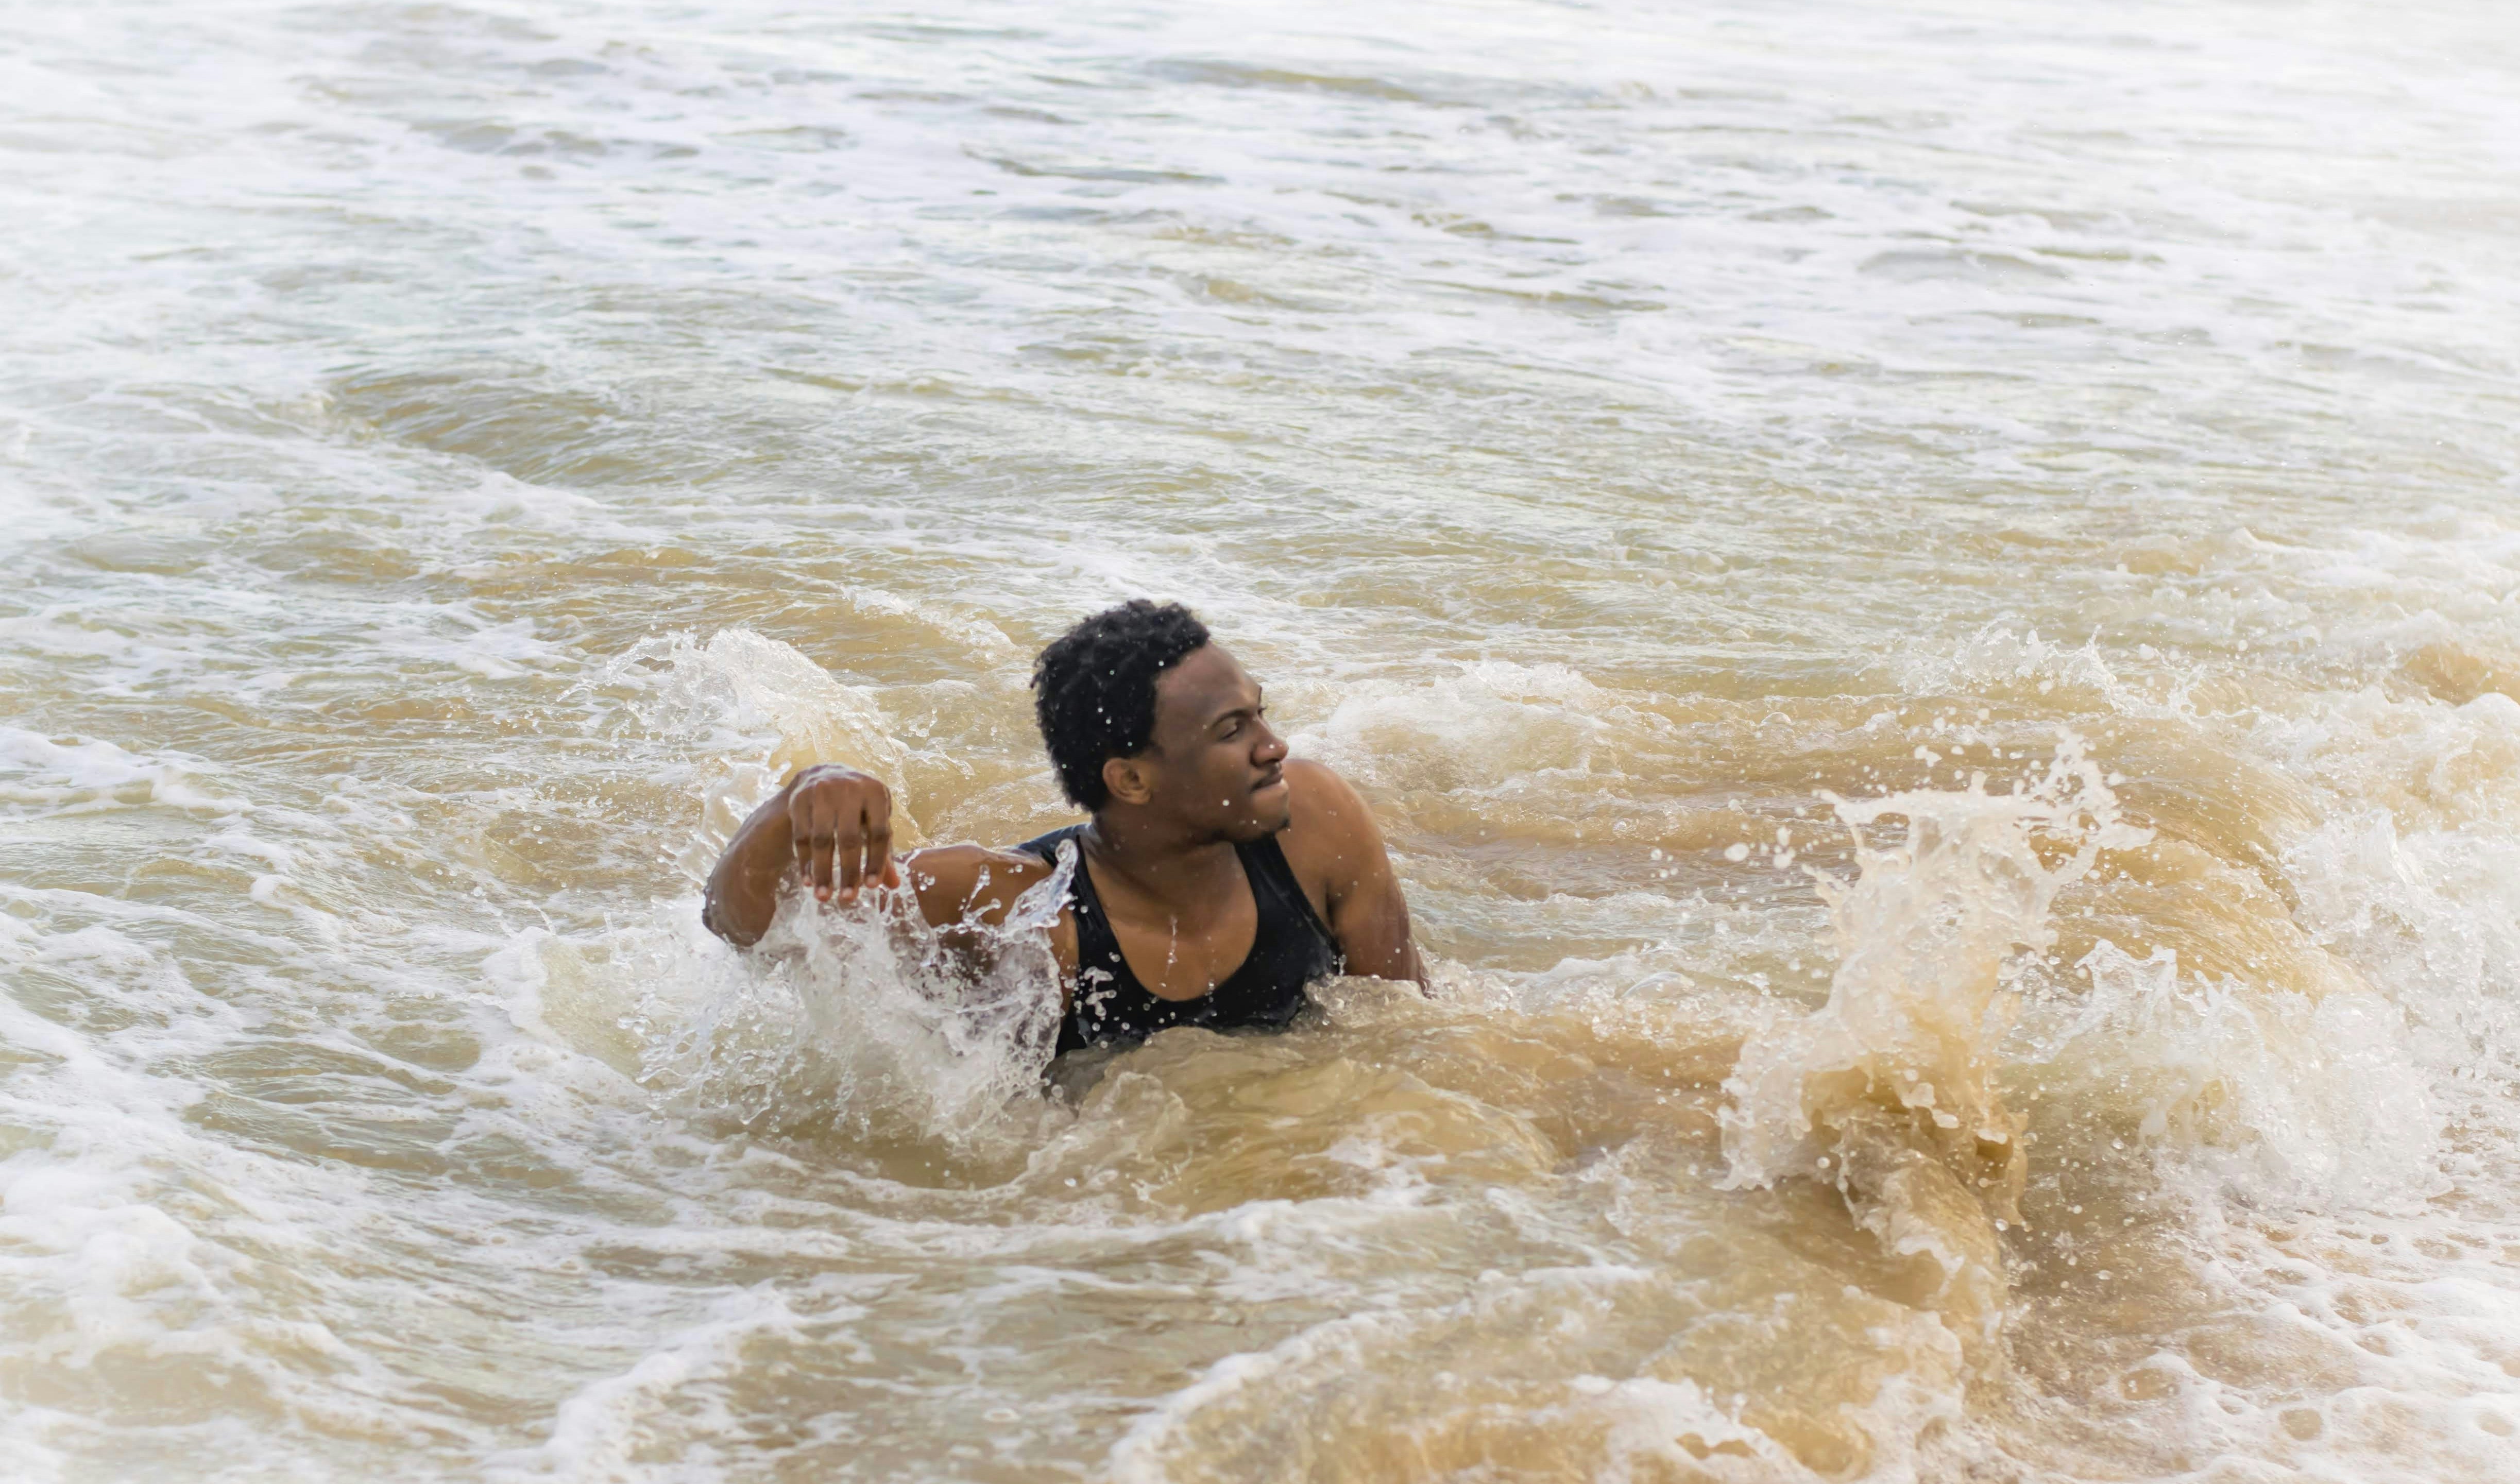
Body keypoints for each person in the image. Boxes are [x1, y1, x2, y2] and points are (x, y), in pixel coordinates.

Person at [702, 600, 1425, 1053]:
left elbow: (1407, 1029)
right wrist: (796, 798)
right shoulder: (1023, 909)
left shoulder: (1315, 821)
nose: (1274, 746)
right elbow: (745, 930)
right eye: (1233, 729)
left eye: (1261, 713)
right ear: (1131, 778)